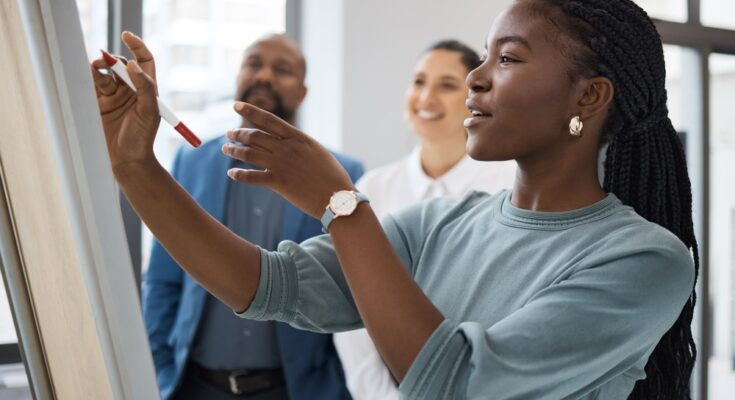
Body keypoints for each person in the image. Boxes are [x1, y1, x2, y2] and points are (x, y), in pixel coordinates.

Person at [91, 0, 699, 398]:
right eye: (482, 56)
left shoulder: (644, 259)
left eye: (507, 58)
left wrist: (340, 202)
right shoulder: (441, 223)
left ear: (588, 99)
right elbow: (268, 285)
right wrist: (133, 163)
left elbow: (453, 385)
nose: (476, 77)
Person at [138, 34, 361, 400]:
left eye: (282, 69)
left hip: (294, 390)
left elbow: (352, 289)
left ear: (302, 93)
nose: (265, 76)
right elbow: (164, 279)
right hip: (193, 386)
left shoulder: (341, 173)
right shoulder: (191, 162)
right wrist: (160, 366)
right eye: (254, 63)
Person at [332, 39, 515, 400]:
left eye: (446, 85)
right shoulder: (372, 189)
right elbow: (351, 305)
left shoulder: (509, 187)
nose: (426, 96)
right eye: (418, 81)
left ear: (476, 97)